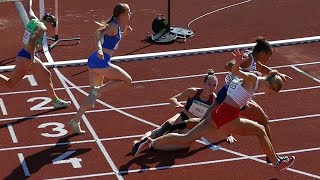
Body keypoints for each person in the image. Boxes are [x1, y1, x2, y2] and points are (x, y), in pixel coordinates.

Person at [132, 49, 295, 171]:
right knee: (260, 130)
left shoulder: (258, 80)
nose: (270, 95)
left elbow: (267, 74)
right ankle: (276, 162)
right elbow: (236, 71)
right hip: (228, 115)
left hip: (222, 112)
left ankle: (150, 142)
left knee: (188, 138)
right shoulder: (253, 78)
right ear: (270, 86)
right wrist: (238, 61)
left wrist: (278, 74)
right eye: (272, 92)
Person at [69, 3, 133, 134]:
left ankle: (75, 121)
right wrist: (99, 49)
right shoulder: (114, 25)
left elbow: (111, 43)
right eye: (128, 13)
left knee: (92, 95)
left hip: (94, 61)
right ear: (121, 15)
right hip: (101, 61)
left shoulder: (117, 26)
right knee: (127, 80)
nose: (130, 15)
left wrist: (124, 33)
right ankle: (98, 90)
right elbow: (97, 35)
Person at [0, 0, 71, 109]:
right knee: (10, 84)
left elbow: (29, 9)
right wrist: (32, 57)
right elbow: (32, 41)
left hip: (25, 54)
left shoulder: (34, 20)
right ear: (50, 23)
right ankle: (55, 100)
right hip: (27, 57)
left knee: (46, 75)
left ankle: (55, 101)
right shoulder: (42, 28)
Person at [133, 69, 218, 145]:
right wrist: (177, 103)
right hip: (183, 116)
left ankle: (154, 144)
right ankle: (140, 142)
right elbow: (173, 98)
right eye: (209, 84)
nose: (211, 87)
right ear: (203, 84)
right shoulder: (193, 92)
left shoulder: (214, 99)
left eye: (214, 85)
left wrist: (228, 135)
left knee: (183, 139)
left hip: (194, 124)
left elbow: (220, 115)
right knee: (164, 127)